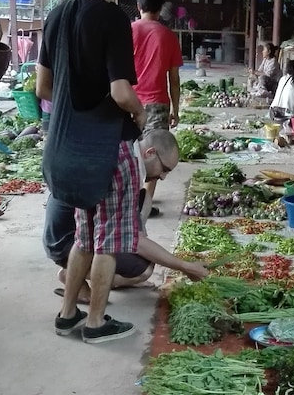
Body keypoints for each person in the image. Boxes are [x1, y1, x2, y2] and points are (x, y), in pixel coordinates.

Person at [36, 0, 148, 345]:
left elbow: (44, 88)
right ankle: (98, 323)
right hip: (106, 153)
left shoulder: (56, 15)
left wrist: (78, 101)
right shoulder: (114, 19)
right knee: (110, 240)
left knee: (84, 234)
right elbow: (121, 92)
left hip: (64, 151)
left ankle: (67, 314)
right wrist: (140, 112)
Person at [44, 128, 207, 302]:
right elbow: (137, 242)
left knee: (144, 202)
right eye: (164, 169)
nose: (163, 176)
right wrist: (185, 266)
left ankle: (85, 274)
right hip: (65, 241)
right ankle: (74, 276)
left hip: (70, 227)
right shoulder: (127, 167)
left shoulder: (128, 149)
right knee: (144, 269)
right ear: (150, 153)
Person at [131, 0, 184, 220]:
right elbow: (174, 79)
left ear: (138, 6)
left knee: (130, 153)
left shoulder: (127, 31)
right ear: (161, 8)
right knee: (155, 156)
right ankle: (145, 204)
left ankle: (129, 200)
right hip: (157, 103)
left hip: (128, 102)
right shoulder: (168, 36)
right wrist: (176, 109)